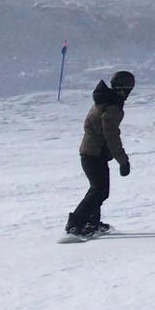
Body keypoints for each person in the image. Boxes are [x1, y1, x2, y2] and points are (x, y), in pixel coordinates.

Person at [65, 70, 133, 237]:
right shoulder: (112, 106)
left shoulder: (104, 100)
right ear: (122, 89)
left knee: (98, 189)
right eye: (128, 90)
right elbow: (111, 135)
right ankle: (75, 224)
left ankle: (91, 222)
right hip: (94, 153)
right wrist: (123, 160)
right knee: (100, 190)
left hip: (91, 152)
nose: (129, 94)